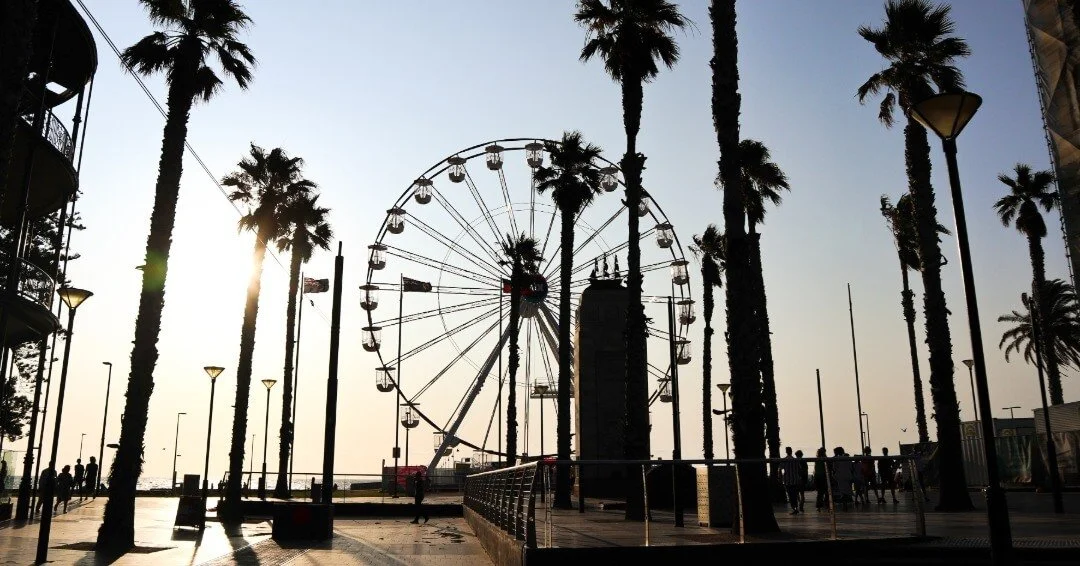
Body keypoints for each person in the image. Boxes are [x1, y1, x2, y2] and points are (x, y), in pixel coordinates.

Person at [779, 447, 800, 515]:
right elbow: (799, 469)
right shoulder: (795, 460)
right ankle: (796, 508)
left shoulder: (784, 460)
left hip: (788, 481)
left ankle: (794, 508)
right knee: (794, 495)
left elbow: (780, 468)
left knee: (790, 496)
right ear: (791, 451)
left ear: (786, 451)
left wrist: (780, 478)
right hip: (795, 480)